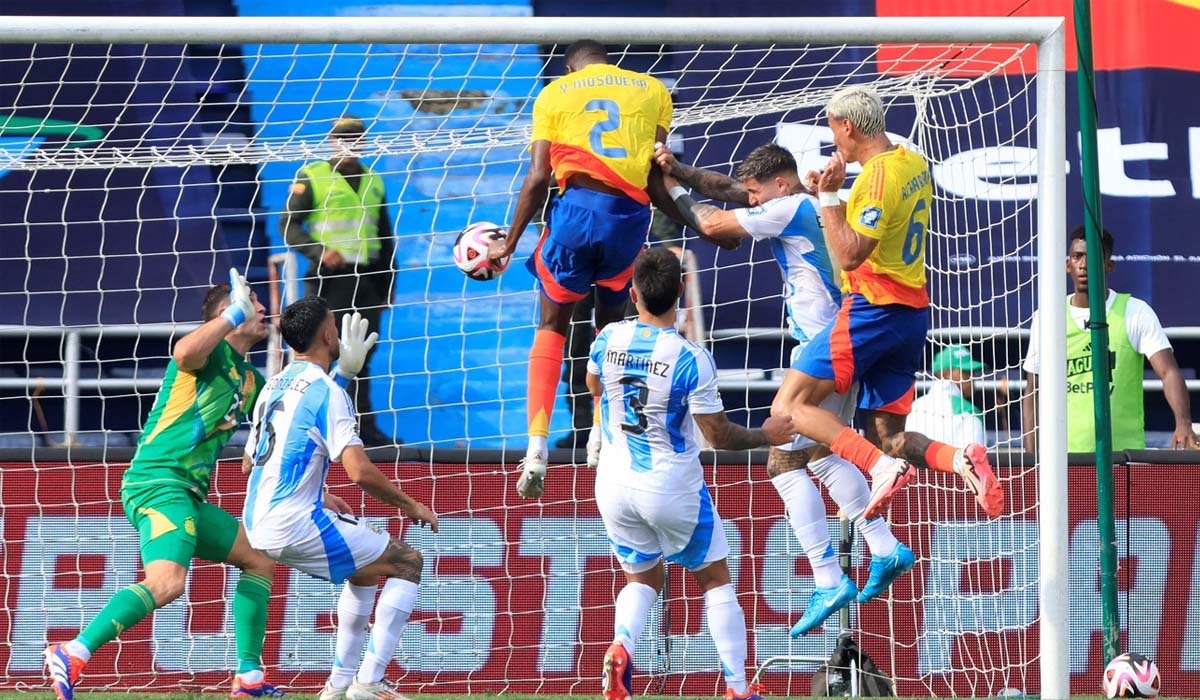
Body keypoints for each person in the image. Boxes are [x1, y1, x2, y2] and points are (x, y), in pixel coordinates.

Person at [656, 142, 914, 636]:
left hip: (825, 344)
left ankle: (828, 574)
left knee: (782, 454)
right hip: (852, 333)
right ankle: (883, 547)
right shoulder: (818, 202)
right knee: (819, 452)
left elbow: (713, 225)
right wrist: (680, 168)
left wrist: (667, 187)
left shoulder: (790, 206)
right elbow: (729, 190)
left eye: (755, 193)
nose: (750, 201)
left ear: (779, 183)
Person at [483, 39, 711, 498]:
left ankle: (536, 448)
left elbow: (538, 176)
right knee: (608, 326)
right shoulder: (652, 91)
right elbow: (656, 175)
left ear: (569, 66)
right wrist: (698, 220)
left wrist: (509, 241)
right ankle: (598, 434)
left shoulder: (556, 93)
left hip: (576, 212)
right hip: (626, 219)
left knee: (552, 326)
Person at [770, 85, 1005, 521]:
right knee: (889, 436)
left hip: (871, 310)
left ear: (848, 126)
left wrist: (828, 198)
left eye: (833, 131)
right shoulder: (911, 160)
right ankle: (959, 460)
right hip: (911, 314)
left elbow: (850, 253)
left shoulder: (877, 178)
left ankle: (880, 469)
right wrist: (833, 193)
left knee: (788, 408)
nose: (833, 140)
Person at [46, 271, 283, 699]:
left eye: (258, 303)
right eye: (253, 303)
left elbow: (287, 416)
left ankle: (249, 678)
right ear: (225, 315)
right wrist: (233, 314)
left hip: (188, 494)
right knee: (168, 582)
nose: (262, 308)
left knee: (259, 560)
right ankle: (73, 650)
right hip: (157, 482)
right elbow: (184, 350)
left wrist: (337, 370)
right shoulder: (206, 355)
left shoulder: (250, 381)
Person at [587, 247, 794, 700]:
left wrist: (604, 425)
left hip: (614, 482)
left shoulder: (607, 339)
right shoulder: (690, 358)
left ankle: (622, 645)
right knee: (715, 579)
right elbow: (719, 436)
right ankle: (739, 689)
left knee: (643, 578)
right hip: (669, 483)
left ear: (633, 290)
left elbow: (592, 385)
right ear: (680, 291)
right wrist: (767, 433)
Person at [242, 296, 438, 700]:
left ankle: (338, 687)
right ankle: (369, 681)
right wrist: (411, 505)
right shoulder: (328, 394)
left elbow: (251, 463)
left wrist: (319, 489)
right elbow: (359, 472)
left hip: (257, 519)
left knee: (365, 571)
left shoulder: (271, 388)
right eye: (334, 325)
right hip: (293, 522)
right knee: (407, 561)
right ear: (329, 334)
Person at [1021, 227, 1199, 452]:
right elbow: (1033, 389)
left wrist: (1183, 424)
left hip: (1123, 457)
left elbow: (1169, 372)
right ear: (1068, 265)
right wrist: (1030, 455)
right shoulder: (1048, 316)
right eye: (1077, 257)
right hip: (1062, 459)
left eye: (1093, 256)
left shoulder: (1135, 312)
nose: (1084, 264)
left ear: (1109, 265)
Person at [282, 115, 396, 447]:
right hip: (328, 280)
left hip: (367, 279)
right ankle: (316, 423)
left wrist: (389, 282)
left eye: (356, 139)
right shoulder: (312, 176)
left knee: (362, 352)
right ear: (332, 141)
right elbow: (288, 226)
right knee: (323, 350)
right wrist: (318, 251)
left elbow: (385, 236)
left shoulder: (374, 179)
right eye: (343, 139)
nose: (350, 145)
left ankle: (362, 424)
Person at [907, 345, 988, 447]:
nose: (972, 378)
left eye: (973, 372)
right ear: (946, 374)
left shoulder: (913, 406)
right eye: (966, 372)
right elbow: (974, 458)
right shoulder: (968, 410)